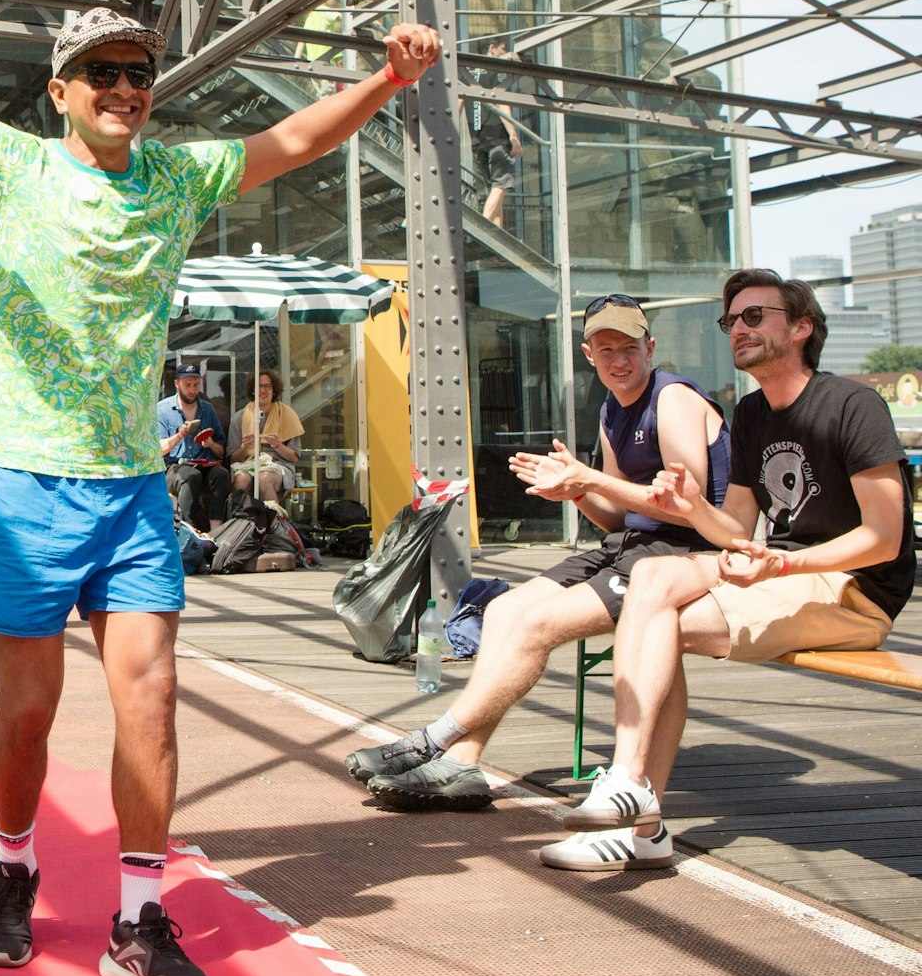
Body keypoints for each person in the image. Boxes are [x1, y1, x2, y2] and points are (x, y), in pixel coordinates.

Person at [0, 0, 440, 976]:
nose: (126, 87)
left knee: (151, 698)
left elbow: (295, 140)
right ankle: (13, 867)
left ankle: (134, 914)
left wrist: (384, 80)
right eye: (104, 73)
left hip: (128, 487)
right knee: (25, 710)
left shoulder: (174, 177)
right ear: (61, 91)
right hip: (21, 481)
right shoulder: (7, 164)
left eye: (139, 73)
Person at [345, 294, 729, 857]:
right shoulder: (611, 409)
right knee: (503, 611)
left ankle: (435, 740)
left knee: (537, 626)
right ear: (587, 355)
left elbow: (685, 505)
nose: (618, 360)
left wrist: (590, 478)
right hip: (633, 544)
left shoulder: (671, 399)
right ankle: (463, 764)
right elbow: (622, 515)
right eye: (605, 350)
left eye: (629, 348)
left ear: (651, 347)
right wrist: (578, 490)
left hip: (682, 554)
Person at [555, 270, 913, 869]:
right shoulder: (751, 413)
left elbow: (884, 539)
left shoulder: (853, 404)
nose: (737, 330)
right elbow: (737, 527)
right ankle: (634, 799)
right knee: (651, 582)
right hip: (786, 571)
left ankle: (637, 810)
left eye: (754, 317)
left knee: (651, 622)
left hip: (854, 590)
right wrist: (690, 507)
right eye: (730, 322)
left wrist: (785, 562)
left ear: (801, 328)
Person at [156, 362, 230, 533]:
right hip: (174, 467)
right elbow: (159, 450)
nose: (192, 390)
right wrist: (180, 435)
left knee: (222, 474)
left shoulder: (208, 409)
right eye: (187, 385)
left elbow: (221, 451)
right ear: (177, 384)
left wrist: (210, 444)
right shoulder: (163, 409)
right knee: (191, 475)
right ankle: (186, 530)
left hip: (204, 464)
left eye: (196, 385)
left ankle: (215, 530)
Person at [469, 41, 528, 227]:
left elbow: (459, 102)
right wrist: (513, 135)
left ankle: (496, 236)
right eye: (502, 50)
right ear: (491, 48)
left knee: (493, 190)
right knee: (501, 185)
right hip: (498, 138)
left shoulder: (469, 73)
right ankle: (482, 227)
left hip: (477, 138)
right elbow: (502, 103)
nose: (505, 55)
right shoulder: (496, 71)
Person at [230, 369, 304, 504]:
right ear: (252, 390)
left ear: (274, 390)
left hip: (279, 466)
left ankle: (274, 521)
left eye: (267, 386)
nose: (262, 390)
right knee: (241, 480)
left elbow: (293, 458)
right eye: (259, 386)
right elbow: (233, 459)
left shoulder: (287, 414)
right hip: (247, 464)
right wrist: (244, 447)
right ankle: (239, 521)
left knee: (263, 478)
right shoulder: (239, 417)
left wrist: (278, 445)